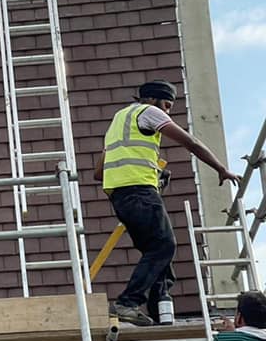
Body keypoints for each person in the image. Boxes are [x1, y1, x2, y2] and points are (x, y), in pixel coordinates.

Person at [93, 79, 240, 326]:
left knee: (156, 253)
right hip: (140, 192)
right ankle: (127, 303)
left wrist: (150, 171)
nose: (167, 112)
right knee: (164, 246)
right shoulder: (148, 112)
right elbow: (190, 142)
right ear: (153, 99)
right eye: (167, 105)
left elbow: (99, 173)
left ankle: (158, 310)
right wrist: (221, 168)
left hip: (120, 198)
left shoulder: (119, 121)